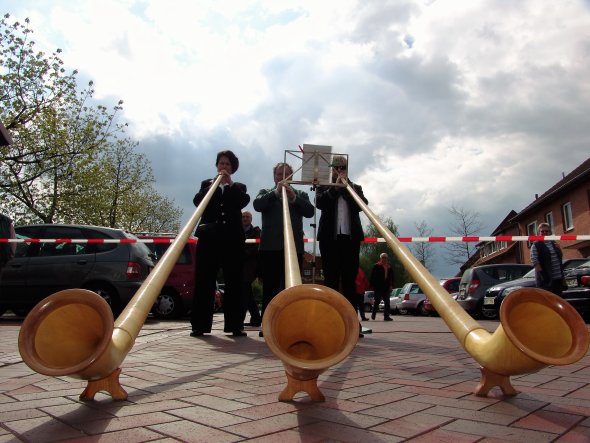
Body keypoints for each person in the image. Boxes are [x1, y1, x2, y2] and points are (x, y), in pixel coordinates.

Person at [190, 150, 250, 337]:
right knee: (204, 281)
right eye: (221, 163)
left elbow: (242, 201)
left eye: (227, 164)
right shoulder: (206, 184)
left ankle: (235, 325)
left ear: (233, 169)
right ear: (216, 166)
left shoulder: (239, 186)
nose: (223, 167)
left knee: (234, 281)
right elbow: (198, 202)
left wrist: (229, 185)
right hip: (209, 240)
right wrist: (213, 186)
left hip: (232, 240)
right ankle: (200, 325)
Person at [253, 162, 314, 336]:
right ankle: (267, 324)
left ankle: (291, 323)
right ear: (274, 177)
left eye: (287, 174)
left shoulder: (300, 194)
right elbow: (257, 205)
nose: (282, 177)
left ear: (292, 177)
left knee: (292, 289)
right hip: (270, 248)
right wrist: (276, 192)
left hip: (294, 248)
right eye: (280, 174)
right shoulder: (266, 193)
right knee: (270, 289)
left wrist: (293, 197)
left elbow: (309, 211)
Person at [316, 155, 368, 335]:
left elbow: (363, 205)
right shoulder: (324, 186)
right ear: (331, 169)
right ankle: (330, 322)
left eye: (342, 167)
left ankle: (352, 324)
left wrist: (346, 186)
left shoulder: (355, 187)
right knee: (330, 280)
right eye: (336, 167)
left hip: (350, 240)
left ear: (346, 168)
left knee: (349, 282)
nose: (339, 170)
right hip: (329, 240)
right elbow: (320, 203)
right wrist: (336, 187)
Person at [531, 222, 565, 296]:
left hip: (558, 278)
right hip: (547, 280)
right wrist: (544, 277)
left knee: (559, 300)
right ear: (539, 233)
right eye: (542, 231)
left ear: (549, 232)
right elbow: (535, 261)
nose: (544, 233)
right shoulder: (536, 244)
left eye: (546, 231)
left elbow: (560, 257)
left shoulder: (553, 243)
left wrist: (559, 250)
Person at [241, 211, 262, 327]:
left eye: (247, 217)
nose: (245, 219)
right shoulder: (237, 231)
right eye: (243, 217)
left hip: (250, 267)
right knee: (247, 292)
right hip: (240, 266)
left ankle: (241, 318)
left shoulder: (256, 231)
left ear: (251, 219)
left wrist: (242, 254)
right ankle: (256, 318)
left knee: (245, 291)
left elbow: (256, 248)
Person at [370, 253, 394, 321]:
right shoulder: (376, 266)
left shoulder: (389, 267)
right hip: (378, 287)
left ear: (387, 259)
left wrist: (391, 285)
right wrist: (372, 285)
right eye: (383, 257)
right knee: (377, 301)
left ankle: (386, 316)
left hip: (386, 287)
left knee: (387, 302)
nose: (384, 259)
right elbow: (372, 276)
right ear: (381, 258)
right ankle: (373, 314)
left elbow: (391, 277)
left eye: (385, 258)